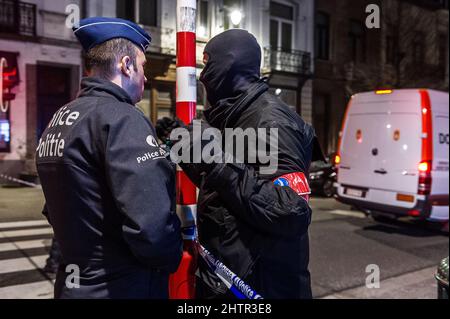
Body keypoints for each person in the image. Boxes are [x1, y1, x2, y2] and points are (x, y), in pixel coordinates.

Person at [158, 29, 324, 299]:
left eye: (208, 64)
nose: (202, 75)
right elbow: (220, 184)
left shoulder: (272, 122)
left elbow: (290, 212)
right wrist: (183, 146)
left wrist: (217, 161)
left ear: (229, 64)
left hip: (259, 288)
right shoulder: (233, 116)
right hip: (224, 279)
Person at [35, 17, 182, 299]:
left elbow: (57, 208)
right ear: (126, 65)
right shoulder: (122, 119)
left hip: (74, 284)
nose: (145, 77)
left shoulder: (61, 117)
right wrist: (172, 254)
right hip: (120, 286)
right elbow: (152, 227)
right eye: (142, 67)